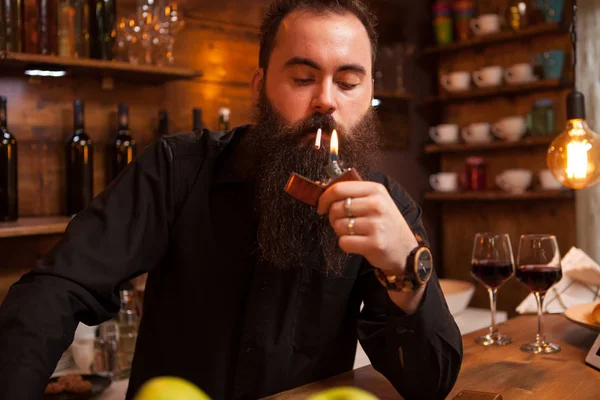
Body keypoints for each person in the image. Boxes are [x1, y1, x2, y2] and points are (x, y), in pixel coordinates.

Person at [0, 0, 462, 399]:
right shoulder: (177, 168)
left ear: (369, 95)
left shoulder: (388, 207)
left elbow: (431, 384)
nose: (326, 101)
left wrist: (407, 266)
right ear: (259, 86)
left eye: (347, 82)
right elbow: (56, 288)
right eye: (303, 78)